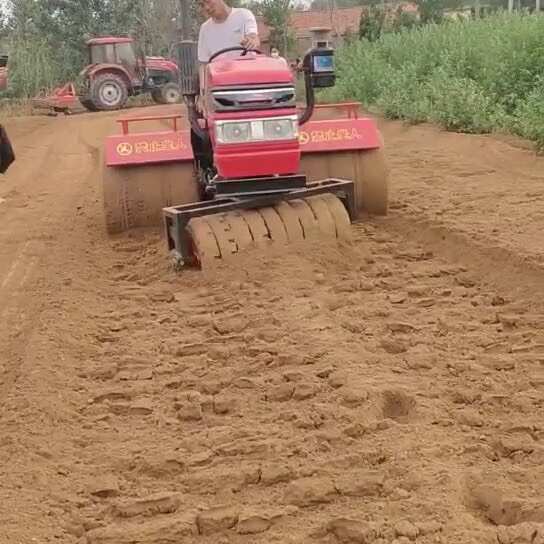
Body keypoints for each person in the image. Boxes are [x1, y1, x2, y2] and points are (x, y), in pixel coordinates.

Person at [197, 0, 260, 64]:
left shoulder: (244, 15)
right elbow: (203, 63)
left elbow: (253, 38)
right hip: (220, 72)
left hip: (246, 70)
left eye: (208, 1)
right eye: (202, 5)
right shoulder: (205, 28)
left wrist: (251, 41)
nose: (206, 7)